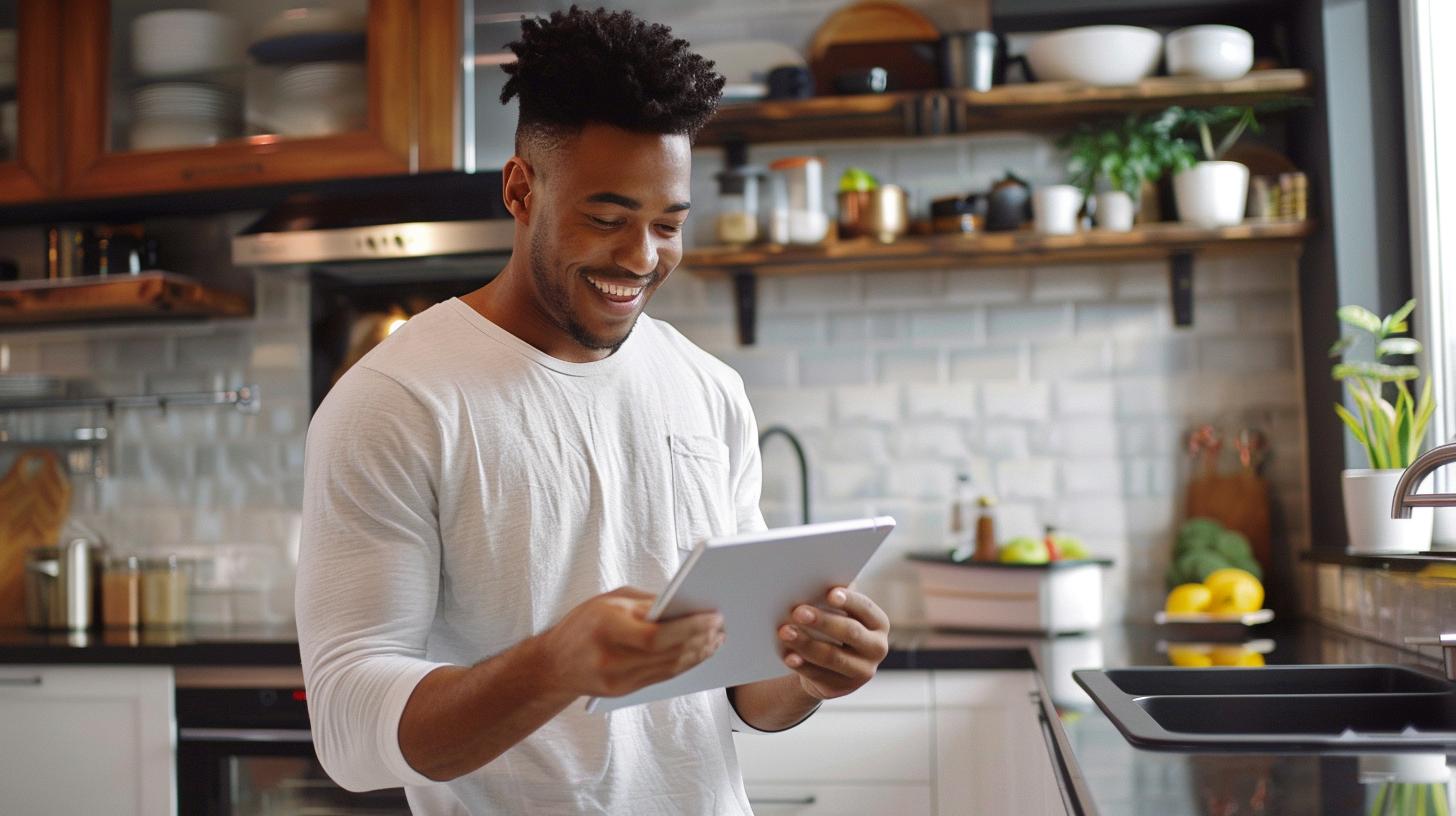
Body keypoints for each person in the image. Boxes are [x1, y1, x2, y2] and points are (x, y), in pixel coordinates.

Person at [295, 7, 891, 814]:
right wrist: (554, 666)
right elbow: (347, 733)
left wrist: (811, 672)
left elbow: (746, 692)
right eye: (606, 219)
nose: (642, 258)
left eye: (668, 225)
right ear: (521, 189)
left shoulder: (707, 389)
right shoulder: (394, 402)